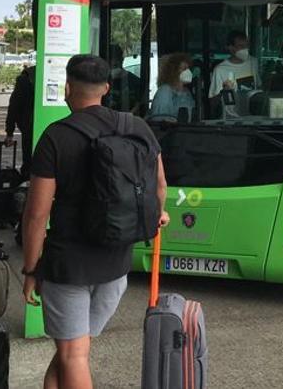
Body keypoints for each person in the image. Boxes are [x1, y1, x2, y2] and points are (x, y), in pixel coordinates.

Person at [21, 54, 169, 389]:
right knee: (72, 350)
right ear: (105, 87)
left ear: (67, 88)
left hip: (69, 265)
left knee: (73, 353)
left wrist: (31, 269)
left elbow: (36, 214)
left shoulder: (56, 137)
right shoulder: (137, 127)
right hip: (117, 261)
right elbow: (159, 186)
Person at [208, 31, 258, 118]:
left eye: (247, 46)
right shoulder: (220, 69)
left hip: (253, 118)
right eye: (241, 46)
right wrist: (223, 91)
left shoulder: (253, 63)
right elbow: (212, 103)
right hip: (230, 120)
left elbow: (259, 89)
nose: (245, 49)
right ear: (231, 48)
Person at [3, 63, 35, 177]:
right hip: (51, 126)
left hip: (28, 126)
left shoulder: (24, 80)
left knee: (29, 159)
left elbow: (14, 107)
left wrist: (9, 132)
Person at [148, 52, 196, 121]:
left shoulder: (186, 92)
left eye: (188, 68)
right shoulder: (164, 92)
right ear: (173, 71)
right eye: (184, 69)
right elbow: (160, 121)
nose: (188, 71)